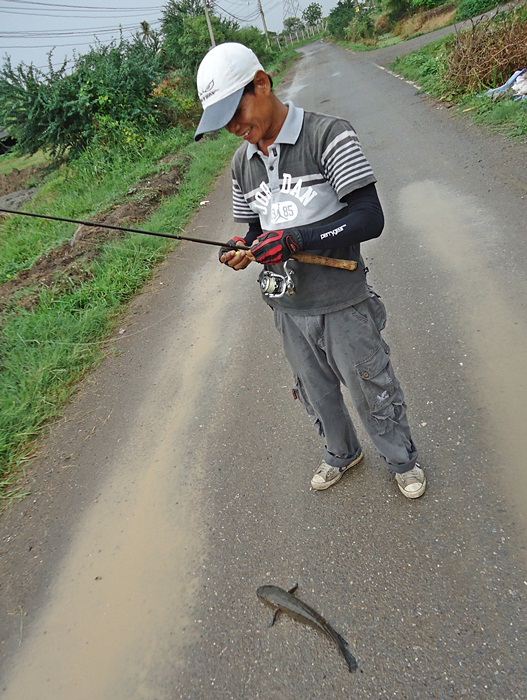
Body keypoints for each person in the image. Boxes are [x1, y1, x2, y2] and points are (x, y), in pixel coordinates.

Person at [194, 42, 426, 499]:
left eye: (236, 113)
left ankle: (402, 459)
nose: (236, 129)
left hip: (343, 300)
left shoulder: (328, 135)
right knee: (315, 391)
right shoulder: (243, 163)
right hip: (287, 306)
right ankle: (341, 453)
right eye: (223, 124)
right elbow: (256, 225)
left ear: (261, 82)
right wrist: (243, 247)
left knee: (369, 386)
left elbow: (368, 216)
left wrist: (297, 238)